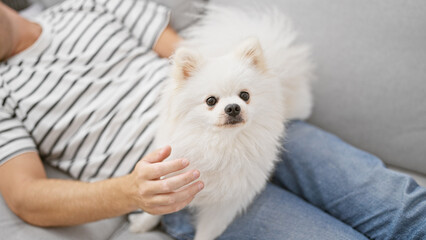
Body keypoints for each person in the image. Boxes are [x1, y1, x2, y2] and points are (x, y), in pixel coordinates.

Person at [0, 1, 424, 239]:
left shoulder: (86, 4)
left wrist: (246, 95)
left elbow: (198, 60)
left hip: (258, 129)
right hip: (179, 186)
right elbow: (26, 198)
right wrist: (134, 192)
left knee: (397, 204)